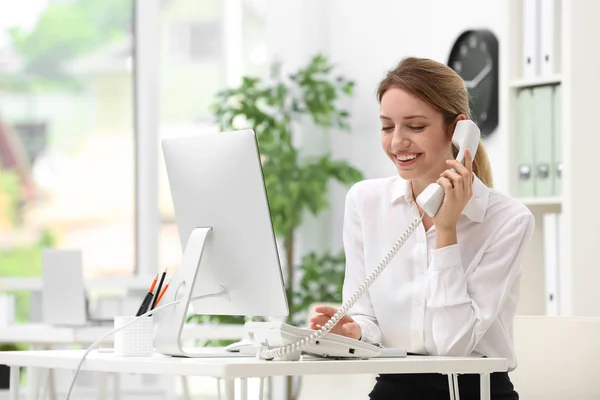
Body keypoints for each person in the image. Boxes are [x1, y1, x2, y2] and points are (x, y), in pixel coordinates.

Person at [309, 57, 534, 399]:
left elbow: (453, 347)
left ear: (458, 130)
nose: (397, 142)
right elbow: (367, 316)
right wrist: (354, 332)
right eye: (387, 127)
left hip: (476, 391)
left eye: (414, 127)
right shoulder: (365, 202)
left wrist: (446, 232)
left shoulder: (508, 220)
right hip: (393, 388)